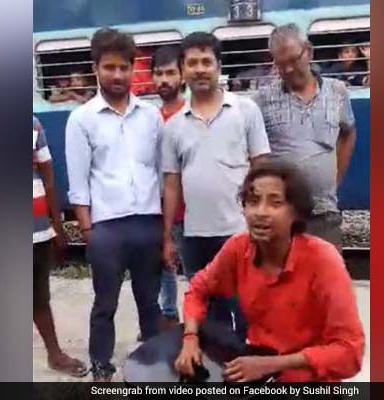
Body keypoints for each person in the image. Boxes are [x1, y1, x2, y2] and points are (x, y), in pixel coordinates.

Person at [175, 161, 365, 382]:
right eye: (253, 202)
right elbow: (198, 290)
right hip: (255, 374)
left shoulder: (324, 261)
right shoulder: (238, 248)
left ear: (296, 212)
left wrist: (272, 364)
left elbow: (350, 352)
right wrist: (190, 338)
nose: (260, 213)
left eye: (275, 203)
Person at [65, 28, 164, 382]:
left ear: (132, 68)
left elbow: (160, 172)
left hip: (148, 223)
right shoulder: (82, 119)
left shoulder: (151, 116)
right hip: (107, 228)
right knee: (104, 305)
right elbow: (78, 185)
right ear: (96, 68)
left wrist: (164, 230)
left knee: (149, 303)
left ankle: (156, 365)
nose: (118, 75)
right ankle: (102, 366)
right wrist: (90, 233)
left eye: (124, 67)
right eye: (109, 67)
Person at [161, 32, 270, 342]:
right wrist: (168, 236)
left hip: (241, 231)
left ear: (219, 66)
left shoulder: (245, 111)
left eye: (206, 61)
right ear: (183, 70)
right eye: (192, 63)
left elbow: (262, 168)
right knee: (212, 314)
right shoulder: (174, 126)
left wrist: (261, 220)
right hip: (196, 236)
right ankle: (224, 375)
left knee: (249, 307)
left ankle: (255, 374)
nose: (199, 69)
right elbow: (171, 184)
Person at [253, 24, 357, 250]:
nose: (288, 69)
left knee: (326, 281)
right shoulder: (262, 100)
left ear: (308, 51)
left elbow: (348, 132)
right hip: (282, 217)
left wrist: (335, 178)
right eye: (280, 64)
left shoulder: (337, 92)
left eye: (293, 60)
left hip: (325, 215)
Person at [32, 116, 87, 377]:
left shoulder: (32, 124)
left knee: (38, 298)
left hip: (37, 230)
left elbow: (49, 179)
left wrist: (57, 227)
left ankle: (55, 355)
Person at [151, 45, 186, 331]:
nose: (164, 80)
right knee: (165, 266)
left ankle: (204, 322)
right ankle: (169, 314)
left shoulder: (191, 114)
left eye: (170, 73)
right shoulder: (150, 119)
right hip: (161, 207)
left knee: (199, 270)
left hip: (192, 210)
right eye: (159, 73)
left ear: (182, 75)